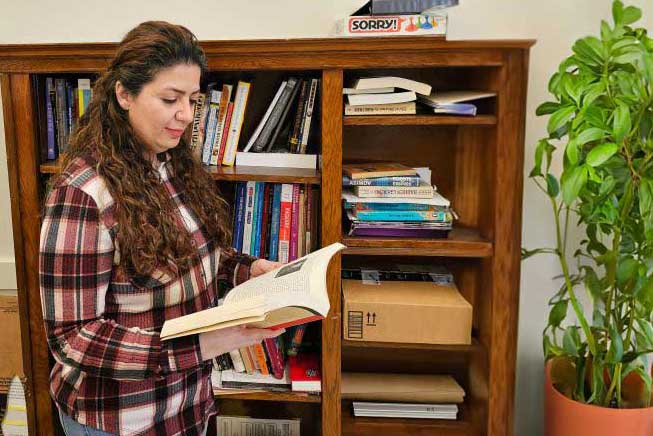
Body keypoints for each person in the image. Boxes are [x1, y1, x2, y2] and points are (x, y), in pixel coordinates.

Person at [39, 21, 283, 436]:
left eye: (192, 99)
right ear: (123, 94)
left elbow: (182, 254)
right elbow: (73, 337)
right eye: (170, 98)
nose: (185, 115)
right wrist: (203, 345)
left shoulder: (171, 163)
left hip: (186, 408)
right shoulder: (83, 195)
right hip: (118, 420)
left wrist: (246, 269)